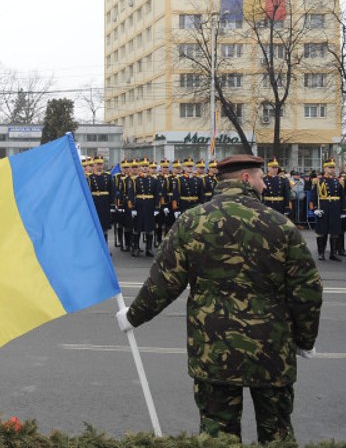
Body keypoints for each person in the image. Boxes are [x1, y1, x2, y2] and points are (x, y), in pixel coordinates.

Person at [117, 153, 322, 445]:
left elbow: (163, 283)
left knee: (218, 437)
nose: (265, 185)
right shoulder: (280, 225)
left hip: (214, 350)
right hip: (272, 350)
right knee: (276, 433)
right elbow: (307, 290)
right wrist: (305, 339)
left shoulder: (191, 222)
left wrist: (132, 317)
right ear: (246, 179)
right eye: (261, 178)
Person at [309, 158, 346, 261]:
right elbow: (313, 197)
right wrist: (314, 209)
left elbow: (342, 196)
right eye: (330, 167)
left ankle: (333, 253)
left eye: (333, 167)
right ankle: (321, 253)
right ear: (324, 168)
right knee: (322, 231)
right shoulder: (318, 181)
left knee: (335, 231)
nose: (332, 169)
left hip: (335, 208)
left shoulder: (338, 181)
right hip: (324, 207)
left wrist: (343, 210)